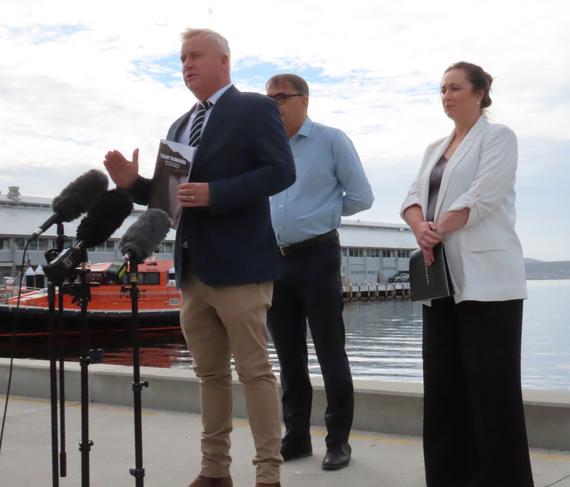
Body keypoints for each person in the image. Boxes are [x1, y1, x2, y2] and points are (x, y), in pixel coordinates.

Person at [104, 29, 295, 487]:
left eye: (195, 56)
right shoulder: (178, 126)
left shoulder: (253, 108)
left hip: (241, 266)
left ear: (223, 61)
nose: (186, 64)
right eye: (182, 58)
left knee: (254, 373)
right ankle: (214, 471)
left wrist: (216, 193)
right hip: (193, 269)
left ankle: (268, 474)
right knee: (209, 375)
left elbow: (281, 171)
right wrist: (133, 184)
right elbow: (168, 201)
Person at [401, 62, 534, 487]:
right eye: (442, 89)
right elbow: (411, 196)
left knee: (492, 392)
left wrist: (438, 228)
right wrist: (420, 226)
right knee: (442, 388)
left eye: (455, 88)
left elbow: (484, 196)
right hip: (438, 280)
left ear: (480, 93)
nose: (447, 96)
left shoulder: (498, 138)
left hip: (488, 283)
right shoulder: (434, 147)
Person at [265, 74, 374, 471]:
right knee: (288, 357)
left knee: (331, 351)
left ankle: (338, 441)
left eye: (281, 97)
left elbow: (362, 195)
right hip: (275, 259)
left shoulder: (331, 140)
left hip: (317, 256)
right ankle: (295, 438)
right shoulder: (265, 147)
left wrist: (322, 214)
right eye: (269, 98)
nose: (274, 104)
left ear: (304, 100)